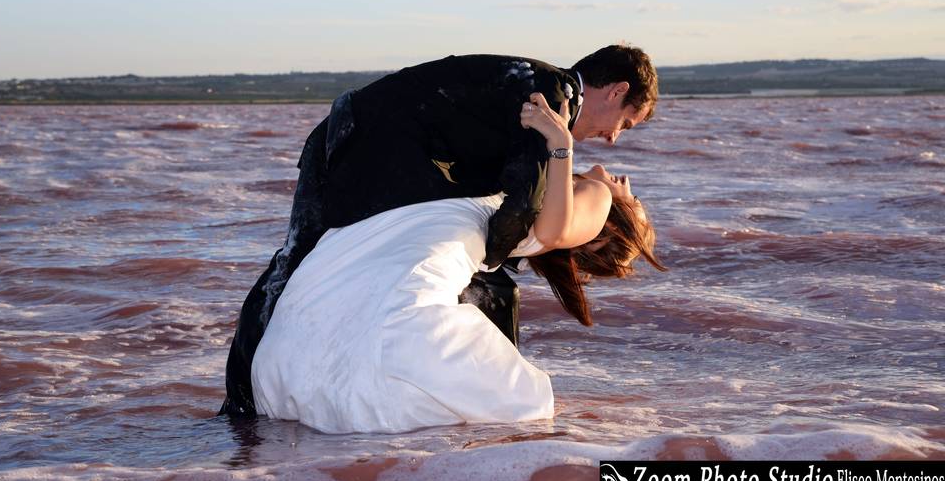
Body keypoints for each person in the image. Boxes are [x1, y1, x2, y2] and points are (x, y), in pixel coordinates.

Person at [220, 44, 659, 416]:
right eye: (625, 122)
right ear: (618, 90)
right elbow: (520, 213)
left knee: (296, 264)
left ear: (607, 234)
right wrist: (491, 245)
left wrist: (559, 152)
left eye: (635, 200)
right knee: (298, 264)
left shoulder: (588, 185)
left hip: (352, 142)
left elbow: (537, 220)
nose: (615, 140)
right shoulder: (552, 98)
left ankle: (244, 395)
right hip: (365, 146)